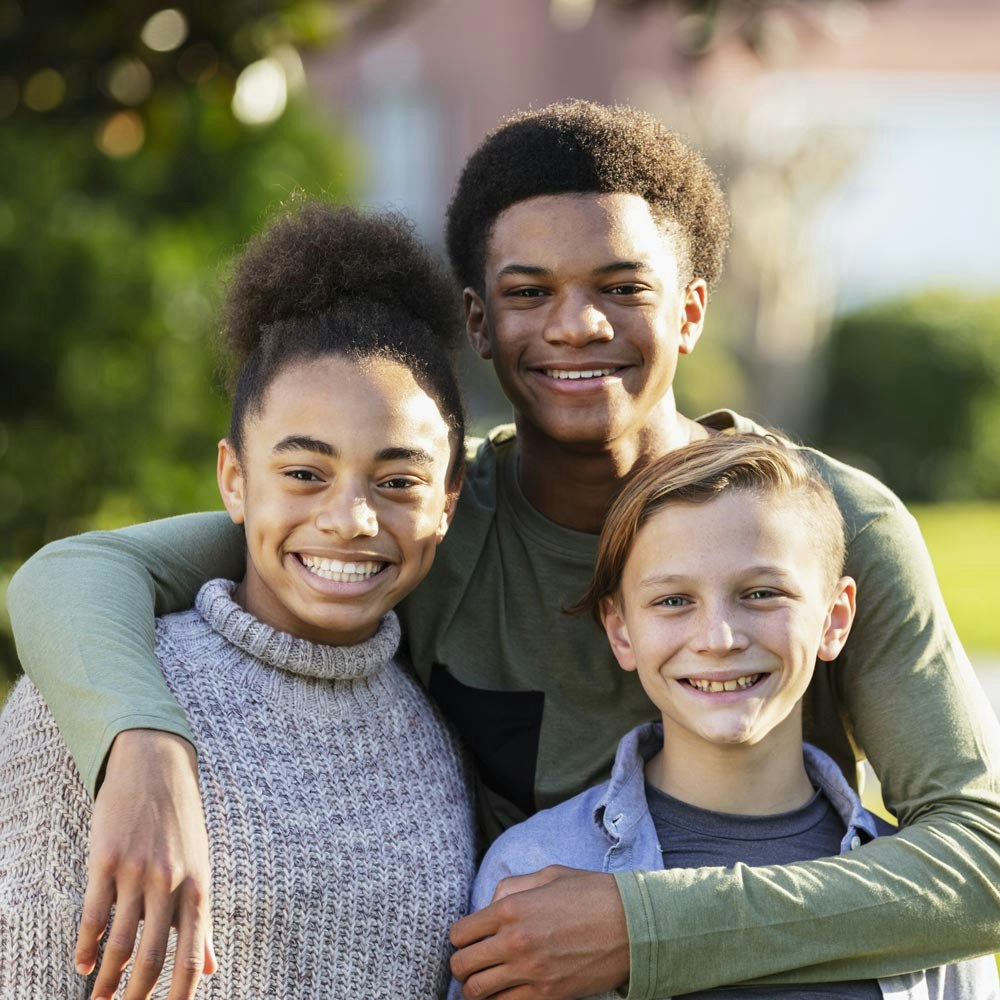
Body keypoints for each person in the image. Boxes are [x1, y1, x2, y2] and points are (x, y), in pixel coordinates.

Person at [7, 101, 1000, 999]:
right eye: (529, 291)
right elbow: (78, 572)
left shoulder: (820, 525)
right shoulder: (421, 516)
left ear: (690, 310)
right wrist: (142, 750)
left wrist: (640, 928)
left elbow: (980, 859)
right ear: (478, 322)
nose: (576, 324)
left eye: (622, 286)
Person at [0, 203, 476, 998]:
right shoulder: (83, 709)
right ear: (233, 479)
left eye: (398, 481)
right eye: (305, 474)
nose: (351, 520)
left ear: (449, 503)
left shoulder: (442, 744)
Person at [452, 432, 1000, 1000]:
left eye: (761, 594)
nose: (719, 639)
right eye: (673, 601)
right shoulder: (533, 870)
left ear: (834, 618)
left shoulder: (926, 906)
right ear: (620, 630)